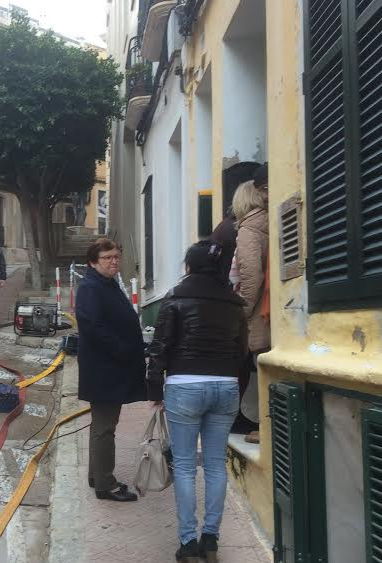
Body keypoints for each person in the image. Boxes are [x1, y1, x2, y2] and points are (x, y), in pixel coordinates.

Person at [147, 240, 247, 563]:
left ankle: (188, 544)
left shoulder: (175, 296)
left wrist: (154, 389)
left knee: (187, 466)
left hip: (185, 385)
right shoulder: (235, 302)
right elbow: (241, 352)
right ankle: (211, 540)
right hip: (226, 386)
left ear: (189, 265)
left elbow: (160, 345)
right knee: (217, 465)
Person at [75, 238, 146, 502]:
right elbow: (93, 327)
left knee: (101, 425)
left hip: (108, 365)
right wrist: (123, 349)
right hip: (104, 367)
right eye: (108, 258)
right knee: (105, 427)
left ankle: (97, 476)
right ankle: (106, 484)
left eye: (116, 257)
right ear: (93, 262)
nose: (114, 261)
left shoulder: (106, 283)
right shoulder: (92, 287)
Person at [233, 178, 270, 444]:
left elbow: (250, 277)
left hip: (259, 313)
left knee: (262, 366)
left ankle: (266, 428)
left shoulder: (248, 229)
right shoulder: (268, 222)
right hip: (272, 308)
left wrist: (241, 312)